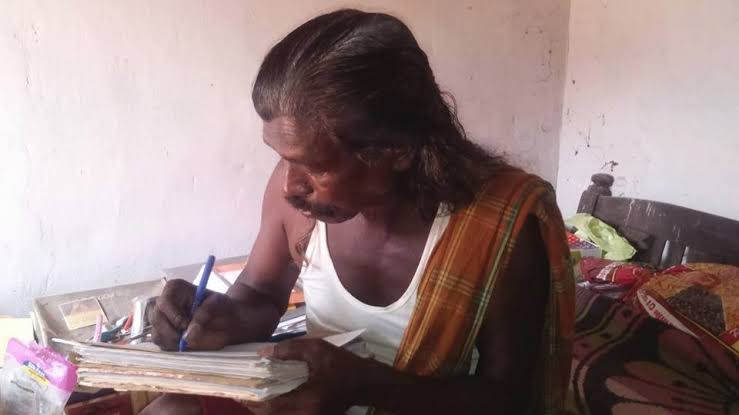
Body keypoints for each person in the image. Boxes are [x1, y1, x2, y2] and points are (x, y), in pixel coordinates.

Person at [142, 9, 574, 415]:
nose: (289, 185)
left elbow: (510, 398)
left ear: (397, 150)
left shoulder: (499, 228)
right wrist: (213, 317)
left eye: (316, 166)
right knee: (170, 409)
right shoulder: (296, 196)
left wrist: (366, 385)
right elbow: (260, 292)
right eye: (282, 157)